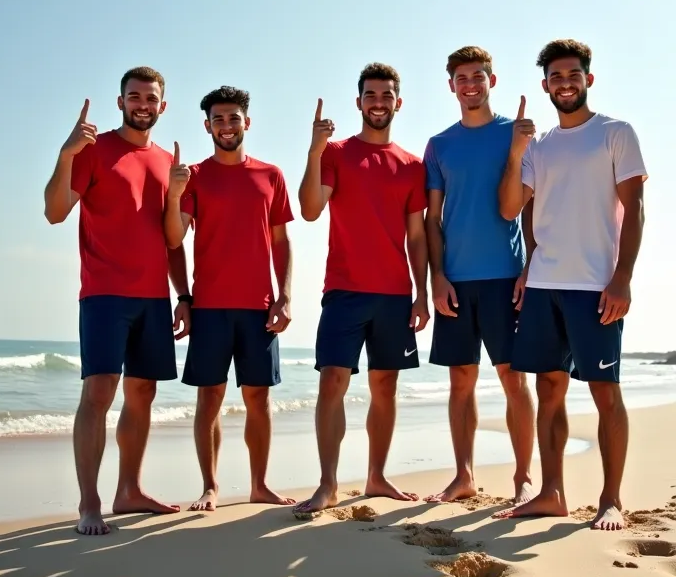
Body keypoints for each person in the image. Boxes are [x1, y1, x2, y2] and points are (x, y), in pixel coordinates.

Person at [496, 39, 647, 531]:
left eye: (572, 74)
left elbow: (635, 208)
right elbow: (520, 210)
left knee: (605, 390)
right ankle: (552, 492)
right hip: (543, 286)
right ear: (545, 85)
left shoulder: (615, 133)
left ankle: (611, 499)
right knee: (549, 389)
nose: (565, 82)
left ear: (588, 78)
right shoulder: (538, 147)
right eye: (556, 77)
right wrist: (529, 265)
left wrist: (622, 276)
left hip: (595, 284)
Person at [44, 66, 191, 536]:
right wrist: (66, 153)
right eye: (134, 96)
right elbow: (53, 212)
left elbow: (173, 240)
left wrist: (183, 294)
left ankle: (129, 490)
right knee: (100, 390)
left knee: (142, 393)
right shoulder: (94, 150)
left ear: (162, 106)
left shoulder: (169, 161)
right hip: (105, 293)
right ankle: (89, 502)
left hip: (152, 296)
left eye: (150, 98)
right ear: (120, 101)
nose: (142, 104)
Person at [295, 62, 430, 514]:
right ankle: (328, 484)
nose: (378, 102)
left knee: (384, 386)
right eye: (370, 94)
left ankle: (376, 477)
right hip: (344, 289)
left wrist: (422, 292)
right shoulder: (336, 152)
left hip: (394, 293)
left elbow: (417, 236)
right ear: (359, 102)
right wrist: (314, 151)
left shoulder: (412, 166)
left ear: (398, 102)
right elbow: (311, 209)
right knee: (332, 381)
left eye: (386, 94)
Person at [164, 85, 297, 510]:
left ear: (247, 122)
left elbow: (281, 240)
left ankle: (259, 485)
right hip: (210, 307)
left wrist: (286, 295)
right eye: (218, 120)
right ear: (207, 126)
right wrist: (183, 295)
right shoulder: (196, 177)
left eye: (233, 118)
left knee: (259, 398)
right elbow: (172, 239)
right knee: (210, 397)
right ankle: (210, 486)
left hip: (259, 306)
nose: (226, 126)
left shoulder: (270, 175)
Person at [423, 46, 535, 505]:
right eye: (462, 77)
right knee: (460, 380)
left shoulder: (518, 133)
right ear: (451, 85)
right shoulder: (440, 144)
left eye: (478, 76)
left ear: (492, 80)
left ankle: (524, 478)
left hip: (505, 278)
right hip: (455, 279)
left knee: (513, 377)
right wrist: (436, 277)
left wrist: (531, 266)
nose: (470, 84)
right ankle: (463, 475)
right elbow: (432, 219)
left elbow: (532, 207)